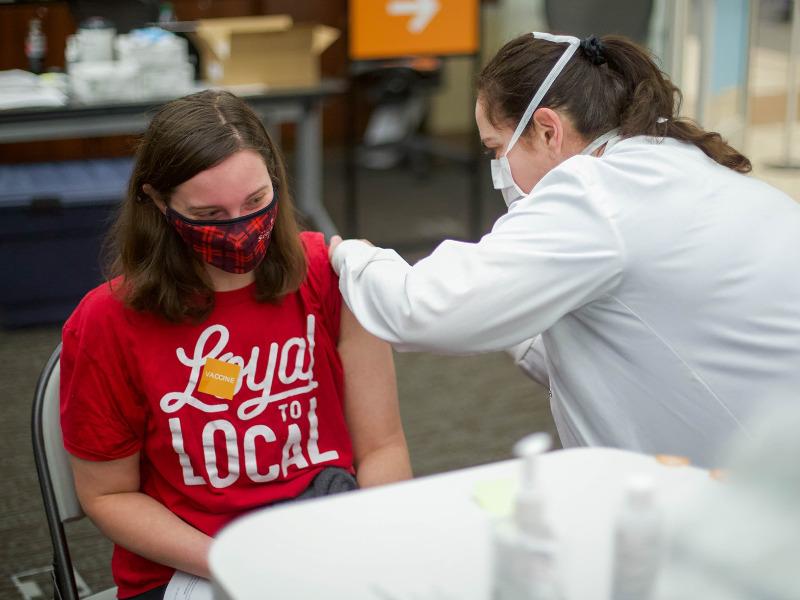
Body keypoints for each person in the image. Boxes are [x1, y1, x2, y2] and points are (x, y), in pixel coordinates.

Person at [329, 33, 800, 468]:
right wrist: (513, 317)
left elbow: (427, 308)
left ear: (548, 131)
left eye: (497, 149)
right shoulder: (677, 168)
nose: (499, 170)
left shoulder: (595, 193)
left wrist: (350, 257)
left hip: (751, 501)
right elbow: (616, 337)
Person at [60, 90, 412, 600]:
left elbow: (382, 447)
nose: (240, 228)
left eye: (254, 202)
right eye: (209, 213)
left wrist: (370, 541)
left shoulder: (328, 276)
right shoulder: (106, 322)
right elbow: (108, 495)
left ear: (276, 179)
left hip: (326, 539)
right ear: (159, 204)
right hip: (193, 563)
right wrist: (237, 562)